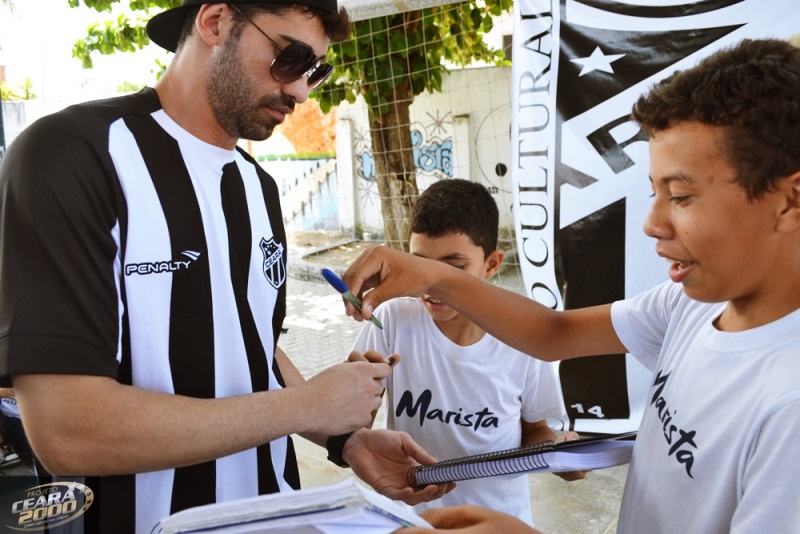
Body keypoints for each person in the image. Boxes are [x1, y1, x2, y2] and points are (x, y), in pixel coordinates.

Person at [0, 1, 451, 532]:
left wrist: (340, 437)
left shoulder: (257, 187)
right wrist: (306, 405)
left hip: (272, 513)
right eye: (290, 58)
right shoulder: (72, 153)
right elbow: (67, 431)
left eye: (316, 71)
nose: (302, 91)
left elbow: (251, 342)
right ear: (215, 23)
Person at [343, 38, 800, 533]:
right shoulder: (688, 305)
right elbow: (553, 332)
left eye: (682, 196)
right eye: (654, 192)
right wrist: (435, 275)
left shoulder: (788, 405)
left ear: (790, 199)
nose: (651, 224)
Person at [348, 179, 580, 525]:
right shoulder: (394, 319)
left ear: (492, 263)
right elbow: (355, 429)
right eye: (422, 266)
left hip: (498, 522)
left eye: (454, 268)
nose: (433, 283)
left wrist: (557, 456)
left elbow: (536, 429)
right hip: (413, 520)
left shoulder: (523, 334)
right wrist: (355, 396)